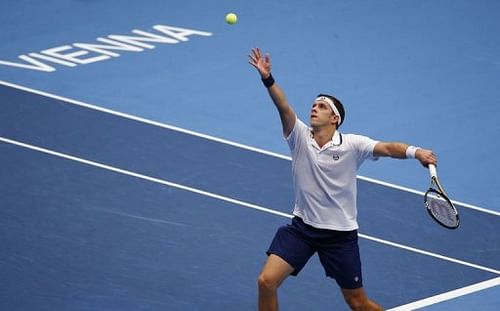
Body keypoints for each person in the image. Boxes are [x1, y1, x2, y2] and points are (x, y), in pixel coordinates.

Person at [248, 47, 437, 311]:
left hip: (339, 236)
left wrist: (416, 152)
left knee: (358, 303)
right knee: (266, 281)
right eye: (313, 105)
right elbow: (283, 106)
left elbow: (387, 148)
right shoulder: (299, 137)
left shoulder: (352, 144)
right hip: (302, 229)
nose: (314, 108)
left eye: (322, 106)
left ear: (335, 118)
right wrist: (268, 79)